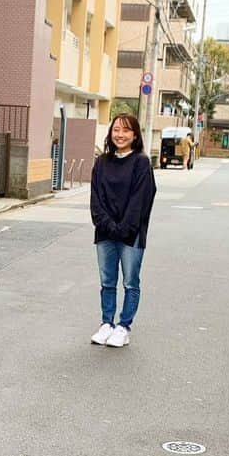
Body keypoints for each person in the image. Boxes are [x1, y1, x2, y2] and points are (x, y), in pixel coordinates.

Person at [89, 113, 157, 348]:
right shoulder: (101, 162)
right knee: (107, 282)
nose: (120, 134)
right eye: (116, 129)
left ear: (135, 134)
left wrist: (123, 228)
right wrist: (108, 225)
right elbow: (96, 200)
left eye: (126, 130)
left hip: (131, 235)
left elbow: (141, 201)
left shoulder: (141, 163)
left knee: (130, 282)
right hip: (105, 234)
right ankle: (106, 323)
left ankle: (123, 326)